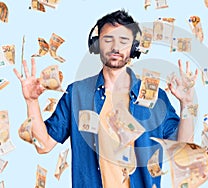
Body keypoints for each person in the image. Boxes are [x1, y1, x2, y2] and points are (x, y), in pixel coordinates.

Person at [13, 9, 198, 188]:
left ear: (134, 47)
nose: (116, 47)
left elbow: (183, 148)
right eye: (108, 39)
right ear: (96, 44)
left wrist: (187, 104)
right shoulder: (77, 93)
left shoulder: (155, 97)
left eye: (123, 40)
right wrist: (31, 101)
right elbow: (43, 145)